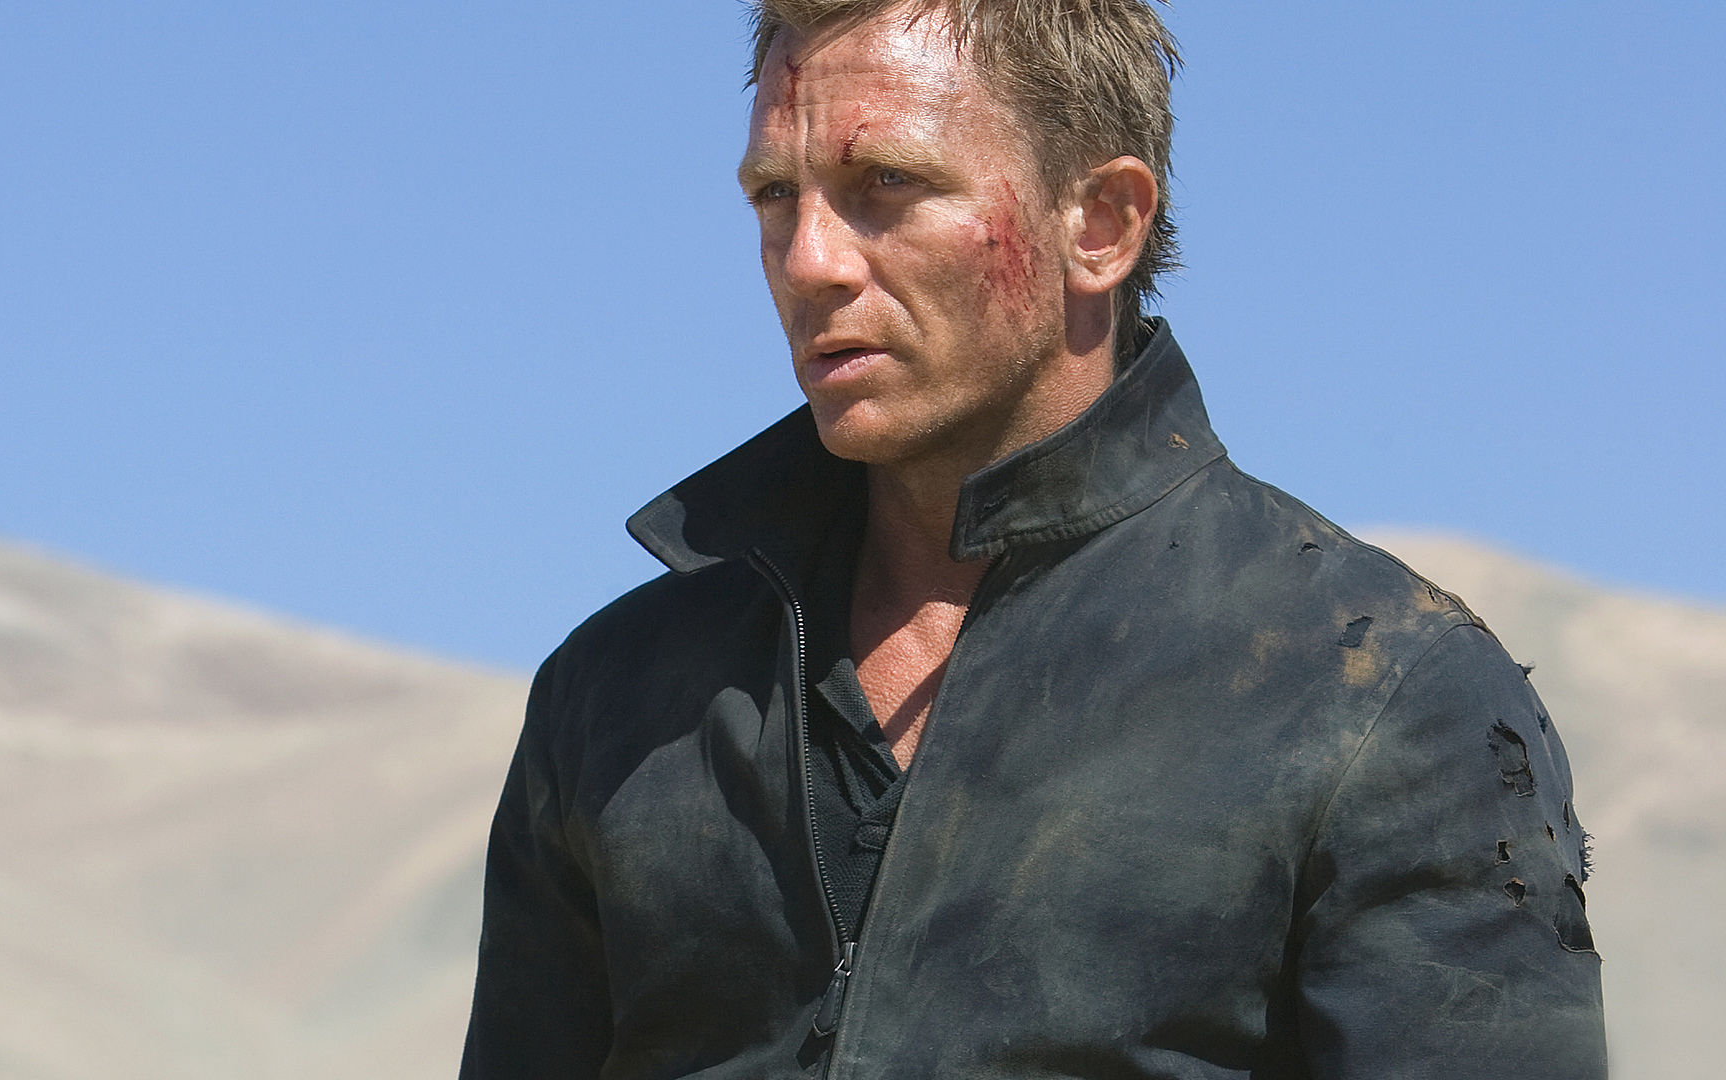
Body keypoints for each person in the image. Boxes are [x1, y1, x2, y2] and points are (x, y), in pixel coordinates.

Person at [461, 1, 1606, 1076]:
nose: (810, 259)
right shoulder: (615, 700)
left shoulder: (1389, 696)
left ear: (1100, 223)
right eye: (775, 193)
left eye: (886, 182)